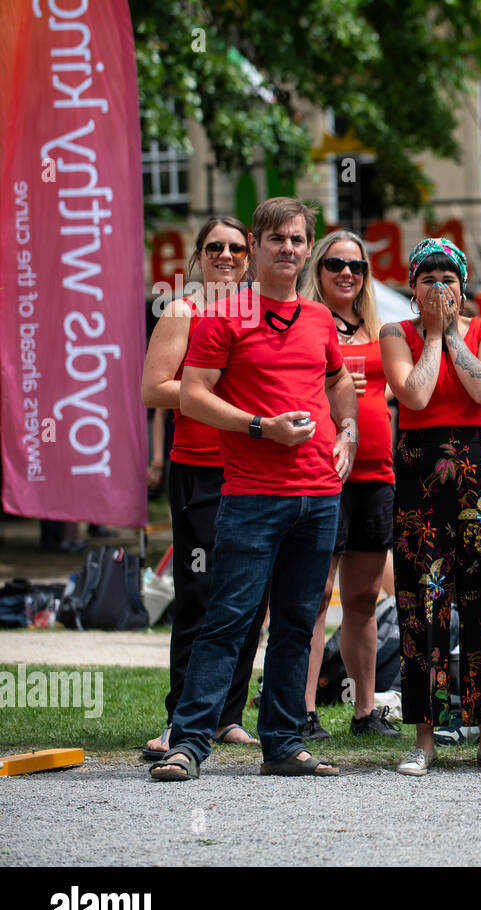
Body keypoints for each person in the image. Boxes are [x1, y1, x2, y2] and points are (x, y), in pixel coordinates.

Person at [148, 197, 358, 781]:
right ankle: (188, 743)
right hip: (250, 493)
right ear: (258, 248)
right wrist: (259, 427)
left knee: (296, 621)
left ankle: (284, 744)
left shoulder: (319, 319)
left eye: (297, 239)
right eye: (276, 240)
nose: (287, 249)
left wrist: (349, 434)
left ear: (306, 247)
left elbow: (340, 381)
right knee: (227, 619)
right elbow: (191, 396)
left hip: (318, 493)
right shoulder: (222, 313)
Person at [381, 237, 481, 775]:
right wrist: (432, 338)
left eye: (448, 280)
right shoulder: (397, 333)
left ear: (463, 289)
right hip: (420, 465)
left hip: (479, 464)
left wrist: (453, 334)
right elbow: (412, 395)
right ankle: (425, 736)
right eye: (428, 280)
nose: (439, 288)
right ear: (413, 290)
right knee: (422, 597)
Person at [140, 217, 265, 759]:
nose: (226, 255)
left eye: (237, 247)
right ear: (198, 256)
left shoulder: (260, 314)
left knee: (248, 597)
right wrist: (212, 395)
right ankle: (179, 718)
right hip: (201, 468)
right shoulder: (183, 311)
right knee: (199, 593)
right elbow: (153, 389)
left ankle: (226, 715)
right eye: (215, 246)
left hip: (256, 469)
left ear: (250, 255)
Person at [300, 230, 400, 740]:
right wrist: (330, 386)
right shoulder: (305, 321)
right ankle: (304, 710)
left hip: (377, 473)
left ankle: (365, 711)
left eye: (356, 266)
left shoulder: (382, 329)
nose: (347, 273)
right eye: (336, 263)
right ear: (318, 270)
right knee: (316, 595)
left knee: (363, 598)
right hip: (324, 469)